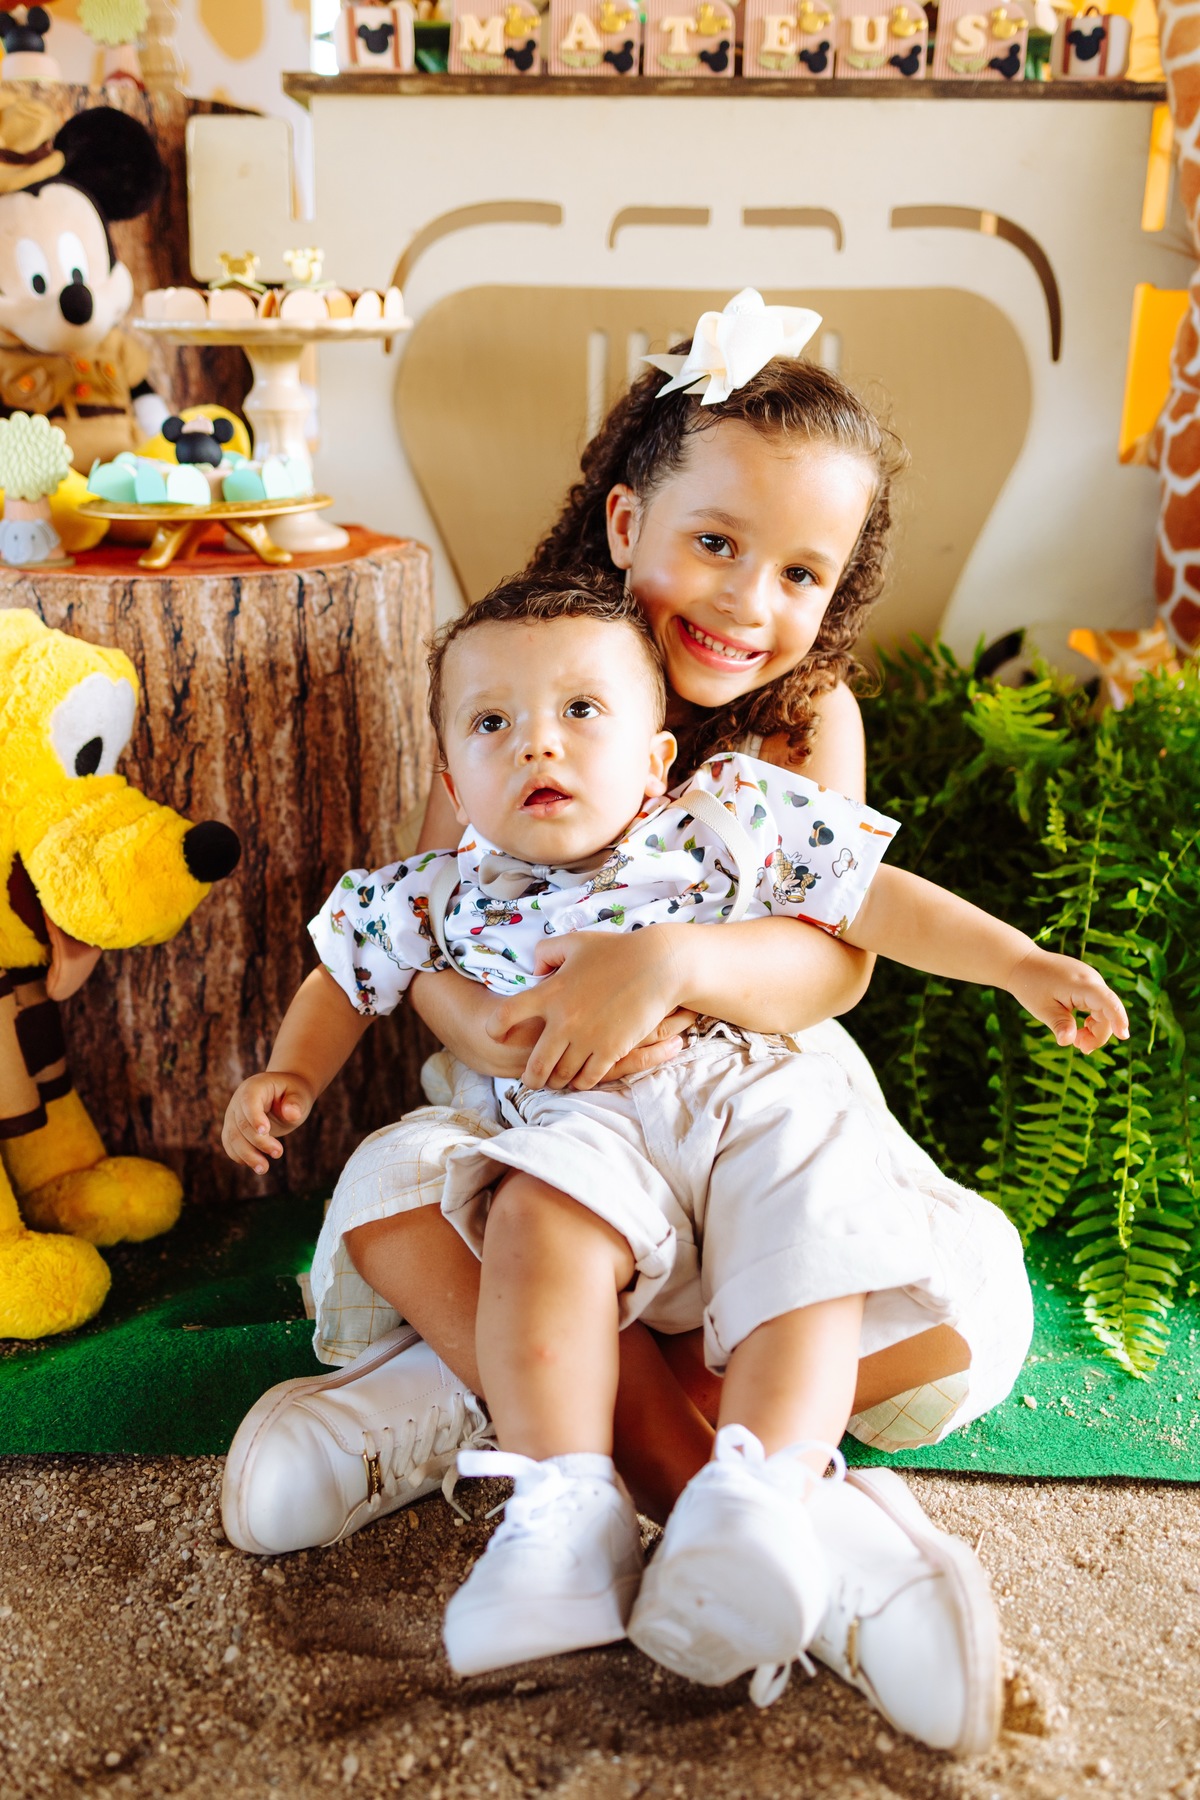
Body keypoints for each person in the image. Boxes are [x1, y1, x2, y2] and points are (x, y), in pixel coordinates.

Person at [218, 291, 1043, 1752]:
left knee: (900, 1289)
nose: (745, 600)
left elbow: (832, 962)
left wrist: (665, 961)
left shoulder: (798, 725)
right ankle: (800, 1544)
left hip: (745, 1075)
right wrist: (480, 1031)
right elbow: (420, 916)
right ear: (622, 525)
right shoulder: (520, 680)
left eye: (800, 568)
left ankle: (488, 1404)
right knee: (469, 1212)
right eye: (714, 543)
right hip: (546, 1097)